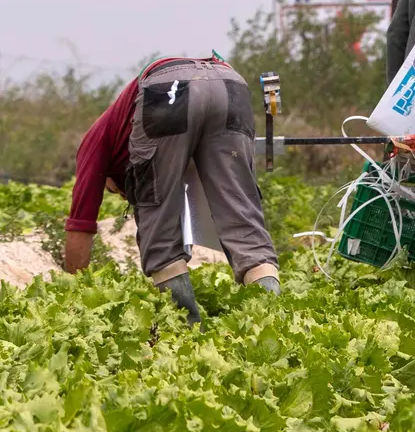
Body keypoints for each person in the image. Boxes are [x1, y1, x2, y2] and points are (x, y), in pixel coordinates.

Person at [63, 56, 280, 324]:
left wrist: (71, 297)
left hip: (170, 89)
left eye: (111, 189)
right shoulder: (124, 127)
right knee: (245, 226)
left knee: (159, 228)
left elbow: (80, 225)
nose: (119, 194)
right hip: (229, 83)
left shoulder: (94, 144)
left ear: (107, 174)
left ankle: (185, 333)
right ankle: (272, 324)